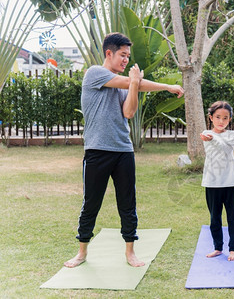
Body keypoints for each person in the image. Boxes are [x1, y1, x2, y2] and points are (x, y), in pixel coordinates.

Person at [64, 32, 184, 268]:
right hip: (97, 151)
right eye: (122, 55)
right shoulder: (95, 73)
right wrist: (167, 86)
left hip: (123, 151)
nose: (126, 60)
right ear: (109, 53)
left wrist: (133, 84)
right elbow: (134, 83)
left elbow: (129, 112)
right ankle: (82, 252)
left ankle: (130, 252)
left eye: (128, 56)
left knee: (127, 203)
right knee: (91, 203)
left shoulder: (124, 84)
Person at [200, 101, 234, 261]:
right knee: (214, 218)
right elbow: (225, 147)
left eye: (225, 118)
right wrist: (212, 139)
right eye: (217, 117)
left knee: (233, 217)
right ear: (211, 117)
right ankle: (217, 248)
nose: (221, 121)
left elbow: (233, 144)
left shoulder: (231, 135)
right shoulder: (206, 133)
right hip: (212, 183)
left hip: (231, 182)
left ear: (229, 119)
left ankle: (233, 249)